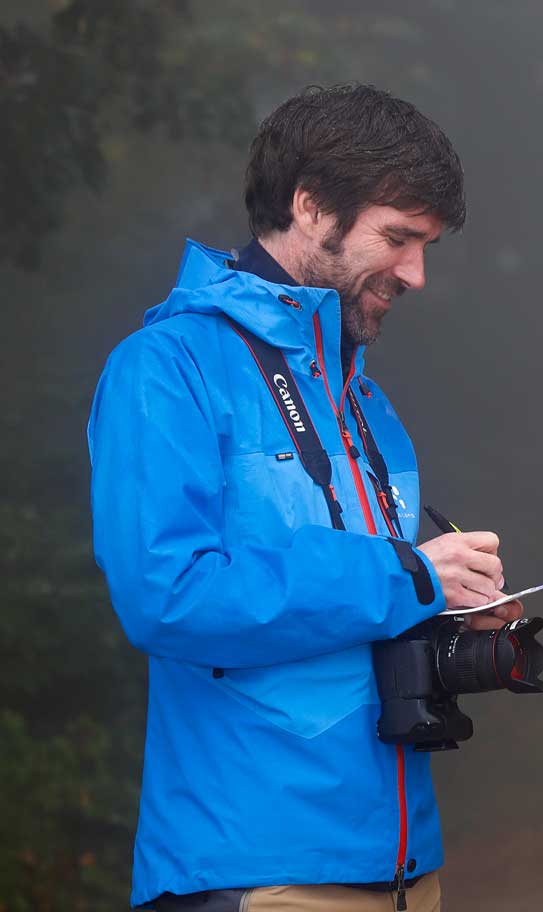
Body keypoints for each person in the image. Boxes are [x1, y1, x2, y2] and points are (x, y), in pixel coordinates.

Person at [88, 85, 519, 912]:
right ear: (310, 206)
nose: (417, 274)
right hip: (256, 872)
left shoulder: (365, 398)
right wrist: (407, 578)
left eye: (426, 246)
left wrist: (448, 608)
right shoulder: (165, 368)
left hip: (404, 866)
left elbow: (362, 608)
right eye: (397, 238)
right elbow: (166, 597)